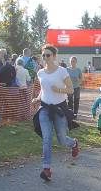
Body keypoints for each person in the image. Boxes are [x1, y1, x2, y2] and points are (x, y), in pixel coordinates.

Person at [32, 44, 79, 182]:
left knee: (62, 139)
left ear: (54, 56)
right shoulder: (40, 73)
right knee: (46, 139)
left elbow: (70, 90)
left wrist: (58, 90)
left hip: (59, 109)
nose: (45, 57)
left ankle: (74, 143)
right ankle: (46, 169)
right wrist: (37, 98)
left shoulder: (62, 71)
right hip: (45, 109)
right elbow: (43, 90)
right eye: (43, 55)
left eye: (48, 55)